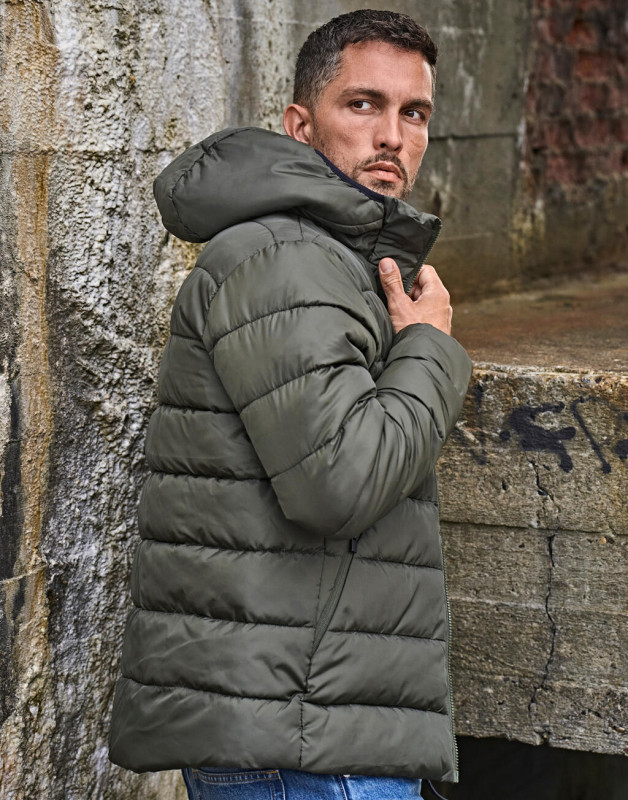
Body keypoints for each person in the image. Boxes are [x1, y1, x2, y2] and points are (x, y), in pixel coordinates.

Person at [108, 9, 473, 800]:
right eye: (363, 104)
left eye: (414, 113)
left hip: (309, 723)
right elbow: (339, 482)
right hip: (307, 745)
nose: (392, 136)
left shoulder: (327, 258)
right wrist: (429, 349)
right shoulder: (285, 259)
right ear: (301, 125)